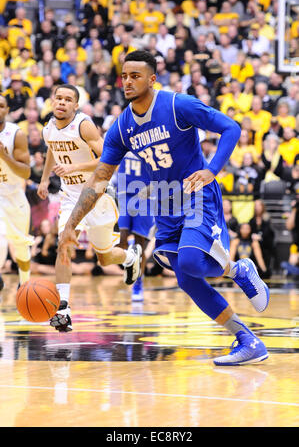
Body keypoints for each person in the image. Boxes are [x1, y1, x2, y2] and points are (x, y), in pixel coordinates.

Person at [57, 51, 269, 366]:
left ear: (152, 79)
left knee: (191, 262)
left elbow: (231, 128)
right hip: (165, 201)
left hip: (196, 192)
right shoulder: (122, 126)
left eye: (135, 76)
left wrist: (212, 169)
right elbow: (100, 176)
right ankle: (247, 339)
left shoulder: (177, 105)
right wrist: (71, 225)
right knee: (185, 276)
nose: (127, 81)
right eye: (124, 76)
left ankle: (238, 269)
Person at [37, 84, 142, 332]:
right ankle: (63, 307)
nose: (61, 102)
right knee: (64, 240)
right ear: (53, 102)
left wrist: (74, 168)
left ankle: (129, 257)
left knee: (104, 258)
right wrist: (44, 179)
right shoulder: (48, 129)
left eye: (67, 99)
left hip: (97, 195)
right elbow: (52, 148)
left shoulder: (83, 125)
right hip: (71, 197)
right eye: (58, 98)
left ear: (76, 105)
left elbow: (109, 158)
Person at [0, 94, 33, 292]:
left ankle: (25, 284)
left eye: (1, 105)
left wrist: (5, 157)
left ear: (7, 110)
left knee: (21, 246)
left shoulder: (16, 134)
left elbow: (26, 171)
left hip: (14, 197)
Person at [117, 151, 155, 302]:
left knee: (140, 244)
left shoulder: (151, 141)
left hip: (144, 195)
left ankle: (138, 282)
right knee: (122, 238)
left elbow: (161, 172)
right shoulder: (121, 134)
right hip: (124, 193)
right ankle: (129, 258)